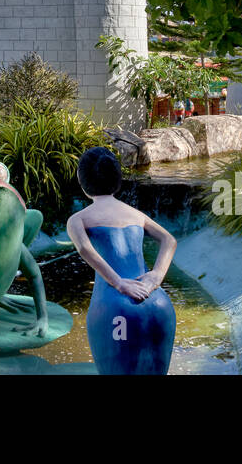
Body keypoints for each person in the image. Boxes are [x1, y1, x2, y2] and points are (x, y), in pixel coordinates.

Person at [66, 147, 177, 374]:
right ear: (117, 178)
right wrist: (156, 276)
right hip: (159, 304)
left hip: (114, 308)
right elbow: (169, 240)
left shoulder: (78, 219)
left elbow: (85, 250)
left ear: (81, 179)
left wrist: (119, 283)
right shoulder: (135, 214)